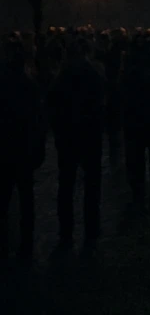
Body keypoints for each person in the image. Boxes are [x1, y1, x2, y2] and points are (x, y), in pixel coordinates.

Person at [48, 36, 106, 252]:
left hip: (68, 137)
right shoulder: (94, 74)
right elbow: (101, 103)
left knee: (66, 184)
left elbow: (52, 106)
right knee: (92, 183)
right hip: (89, 136)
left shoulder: (61, 77)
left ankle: (66, 230)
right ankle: (91, 228)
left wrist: (59, 131)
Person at [0, 36, 46, 262]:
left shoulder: (3, 84)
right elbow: (38, 119)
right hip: (24, 149)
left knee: (5, 198)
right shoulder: (30, 86)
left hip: (5, 148)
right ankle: (26, 244)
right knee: (26, 198)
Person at [119, 38, 150, 206]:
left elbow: (122, 101)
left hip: (134, 125)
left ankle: (137, 194)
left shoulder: (127, 79)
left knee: (135, 161)